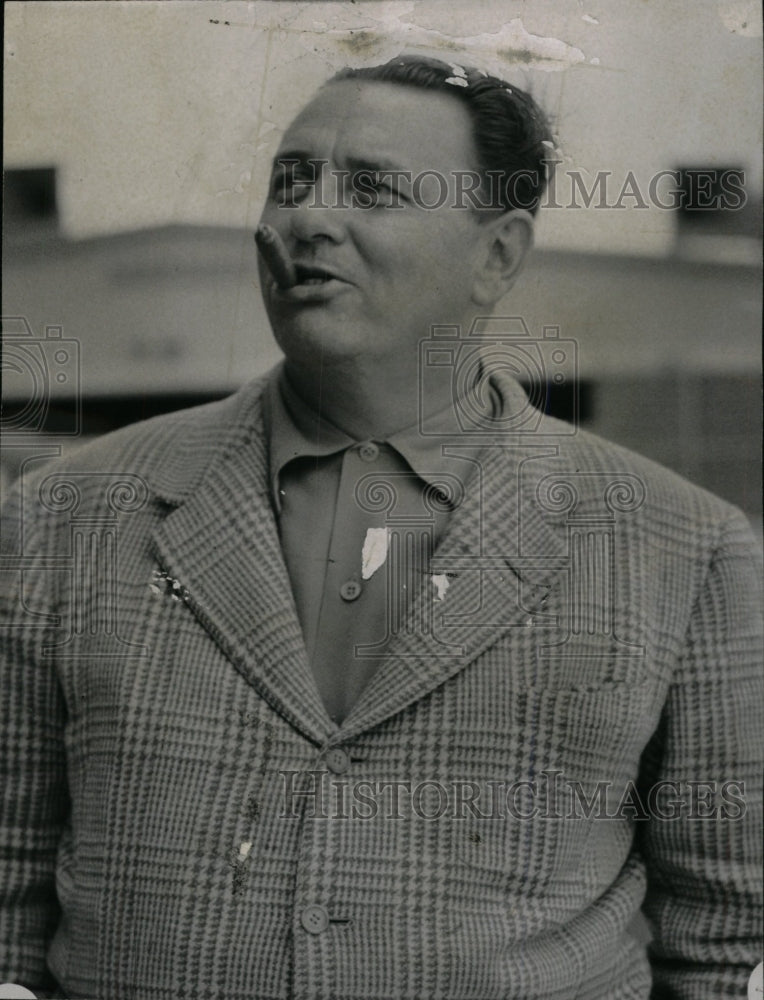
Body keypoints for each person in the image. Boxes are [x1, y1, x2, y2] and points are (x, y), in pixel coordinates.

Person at [1, 55, 761, 1000]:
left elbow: (730, 941)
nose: (308, 218)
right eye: (291, 180)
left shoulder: (688, 549)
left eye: (373, 188)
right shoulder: (58, 516)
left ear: (499, 255)